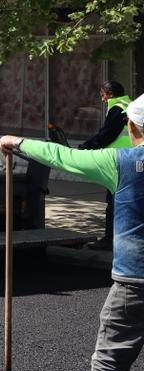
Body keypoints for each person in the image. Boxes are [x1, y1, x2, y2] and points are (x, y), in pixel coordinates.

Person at [0, 103, 144, 371]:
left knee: (111, 358)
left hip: (135, 281)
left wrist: (16, 142)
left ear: (134, 128)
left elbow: (63, 157)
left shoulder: (122, 163)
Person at [79, 80, 133, 251]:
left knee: (113, 202)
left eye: (102, 95)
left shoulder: (117, 108)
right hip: (133, 159)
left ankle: (110, 240)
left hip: (119, 161)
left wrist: (85, 147)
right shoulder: (130, 105)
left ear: (109, 94)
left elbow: (106, 135)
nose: (102, 99)